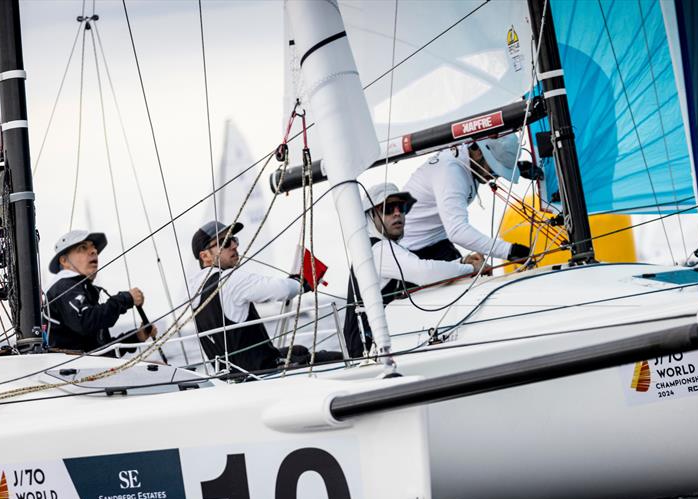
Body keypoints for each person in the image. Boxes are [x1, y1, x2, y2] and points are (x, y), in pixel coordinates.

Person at [343, 183, 486, 358]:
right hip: (369, 352)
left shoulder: (379, 248)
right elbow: (423, 273)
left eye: (401, 207)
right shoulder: (378, 250)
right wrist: (470, 268)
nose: (397, 213)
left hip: (381, 345)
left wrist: (461, 261)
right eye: (388, 209)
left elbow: (418, 268)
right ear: (371, 216)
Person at [188, 220, 340, 375]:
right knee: (338, 358)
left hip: (231, 375)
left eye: (234, 240)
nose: (234, 245)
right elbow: (282, 290)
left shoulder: (195, 290)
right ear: (205, 256)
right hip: (262, 373)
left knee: (299, 350)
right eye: (225, 242)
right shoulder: (228, 280)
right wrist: (300, 282)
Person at [400, 135, 532, 262]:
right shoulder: (450, 172)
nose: (494, 177)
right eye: (494, 169)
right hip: (411, 251)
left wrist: (517, 168)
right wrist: (508, 250)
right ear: (479, 152)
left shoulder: (467, 157)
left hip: (438, 242)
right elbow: (457, 231)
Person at [45, 230, 157, 353]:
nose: (94, 251)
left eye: (94, 248)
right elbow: (85, 322)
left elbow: (100, 350)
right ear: (64, 261)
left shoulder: (82, 290)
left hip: (83, 368)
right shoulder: (64, 287)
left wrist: (136, 337)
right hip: (68, 369)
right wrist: (126, 299)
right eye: (83, 248)